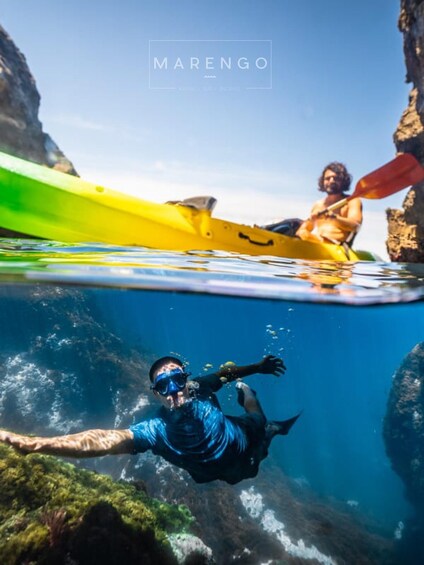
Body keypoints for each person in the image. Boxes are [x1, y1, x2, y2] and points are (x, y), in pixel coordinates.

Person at [0, 355, 300, 485]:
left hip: (242, 436)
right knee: (241, 473)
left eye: (177, 380)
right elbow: (103, 441)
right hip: (223, 473)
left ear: (187, 379)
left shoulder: (201, 386)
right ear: (156, 394)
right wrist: (38, 444)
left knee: (259, 420)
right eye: (163, 386)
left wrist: (256, 368)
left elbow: (226, 373)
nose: (174, 392)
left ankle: (249, 396)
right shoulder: (155, 431)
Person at [296, 162, 362, 245]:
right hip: (318, 243)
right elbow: (306, 228)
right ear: (323, 181)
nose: (331, 181)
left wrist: (333, 217)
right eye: (327, 178)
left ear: (343, 181)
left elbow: (355, 226)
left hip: (337, 246)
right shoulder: (318, 204)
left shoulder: (352, 201)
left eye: (336, 178)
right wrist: (305, 225)